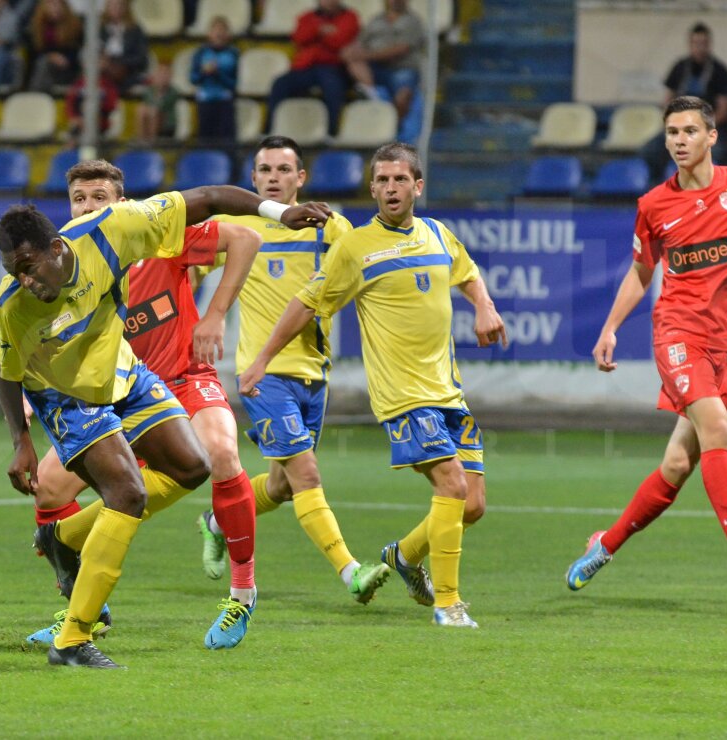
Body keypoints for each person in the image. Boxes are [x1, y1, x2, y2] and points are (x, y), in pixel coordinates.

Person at [0, 180, 329, 669]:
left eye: (27, 267)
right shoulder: (10, 307)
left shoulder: (112, 231)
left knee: (194, 466)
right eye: (12, 272)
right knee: (128, 493)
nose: (24, 280)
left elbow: (209, 198)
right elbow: (2, 369)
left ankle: (62, 539)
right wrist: (21, 441)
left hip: (125, 374)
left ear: (57, 249)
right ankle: (73, 639)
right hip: (68, 400)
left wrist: (278, 213)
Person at [566, 96, 727, 592]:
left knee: (678, 464)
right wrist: (609, 327)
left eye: (689, 131)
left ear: (711, 136)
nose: (679, 141)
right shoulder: (654, 205)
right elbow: (643, 270)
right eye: (672, 132)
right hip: (678, 331)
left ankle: (604, 544)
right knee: (716, 424)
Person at [239, 142, 507, 628]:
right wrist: (262, 359)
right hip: (403, 395)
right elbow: (306, 303)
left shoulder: (437, 234)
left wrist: (484, 306)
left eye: (399, 180)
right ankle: (449, 604)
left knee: (472, 505)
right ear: (372, 188)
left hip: (448, 389)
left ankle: (403, 557)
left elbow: (467, 274)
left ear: (417, 186)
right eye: (381, 181)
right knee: (451, 482)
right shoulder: (356, 247)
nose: (390, 189)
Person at [21, 159, 265, 651]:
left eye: (99, 198)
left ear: (122, 203)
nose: (88, 207)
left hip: (182, 376)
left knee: (220, 452)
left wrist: (215, 315)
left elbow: (246, 239)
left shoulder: (156, 235)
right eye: (79, 199)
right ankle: (84, 609)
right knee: (48, 486)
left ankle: (242, 595)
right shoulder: (66, 260)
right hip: (117, 392)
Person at [204, 135, 391, 605]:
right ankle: (350, 571)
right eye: (264, 169)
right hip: (261, 374)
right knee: (306, 473)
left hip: (314, 374)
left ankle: (216, 521)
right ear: (252, 179)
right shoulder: (234, 227)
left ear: (301, 178)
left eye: (283, 170)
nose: (273, 177)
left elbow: (367, 275)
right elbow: (184, 273)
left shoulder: (330, 230)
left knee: (284, 485)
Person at [643, 23, 727, 174]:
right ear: (690, 44)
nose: (700, 48)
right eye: (696, 43)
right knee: (649, 151)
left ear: (709, 45)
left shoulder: (720, 72)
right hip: (679, 129)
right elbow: (667, 101)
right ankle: (662, 189)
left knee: (718, 154)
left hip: (706, 130)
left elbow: (723, 110)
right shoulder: (679, 68)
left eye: (703, 43)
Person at [265, 0, 359, 138]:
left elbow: (340, 41)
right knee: (280, 83)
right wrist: (321, 30)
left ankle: (330, 133)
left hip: (333, 67)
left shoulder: (350, 17)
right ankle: (269, 130)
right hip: (306, 67)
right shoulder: (306, 16)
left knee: (333, 86)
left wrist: (316, 32)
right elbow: (299, 38)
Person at [341, 0, 424, 122]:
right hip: (375, 67)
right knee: (354, 62)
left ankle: (395, 125)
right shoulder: (376, 19)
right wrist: (349, 52)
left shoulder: (413, 21)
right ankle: (372, 94)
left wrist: (366, 55)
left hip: (402, 68)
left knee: (403, 95)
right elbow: (360, 41)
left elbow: (401, 49)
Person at [189, 15, 238, 142]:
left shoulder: (233, 54)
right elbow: (193, 79)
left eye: (223, 30)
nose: (219, 33)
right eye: (216, 30)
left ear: (228, 34)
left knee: (226, 141)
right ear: (209, 33)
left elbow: (234, 84)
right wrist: (204, 73)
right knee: (205, 140)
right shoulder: (201, 53)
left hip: (225, 102)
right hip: (205, 101)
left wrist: (217, 74)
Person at [24, 0, 80, 94]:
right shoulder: (35, 28)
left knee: (43, 64)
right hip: (41, 69)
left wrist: (63, 59)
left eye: (59, 5)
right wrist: (50, 56)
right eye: (52, 5)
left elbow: (76, 52)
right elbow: (32, 55)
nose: (56, 8)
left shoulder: (74, 26)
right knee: (43, 63)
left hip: (66, 70)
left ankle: (35, 96)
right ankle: (36, 96)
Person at [136, 61, 178, 141]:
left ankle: (152, 141)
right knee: (141, 109)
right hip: (149, 120)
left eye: (165, 74)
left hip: (167, 124)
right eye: (160, 74)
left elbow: (161, 106)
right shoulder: (149, 91)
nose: (162, 77)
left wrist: (160, 91)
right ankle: (141, 140)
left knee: (154, 111)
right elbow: (146, 104)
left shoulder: (173, 92)